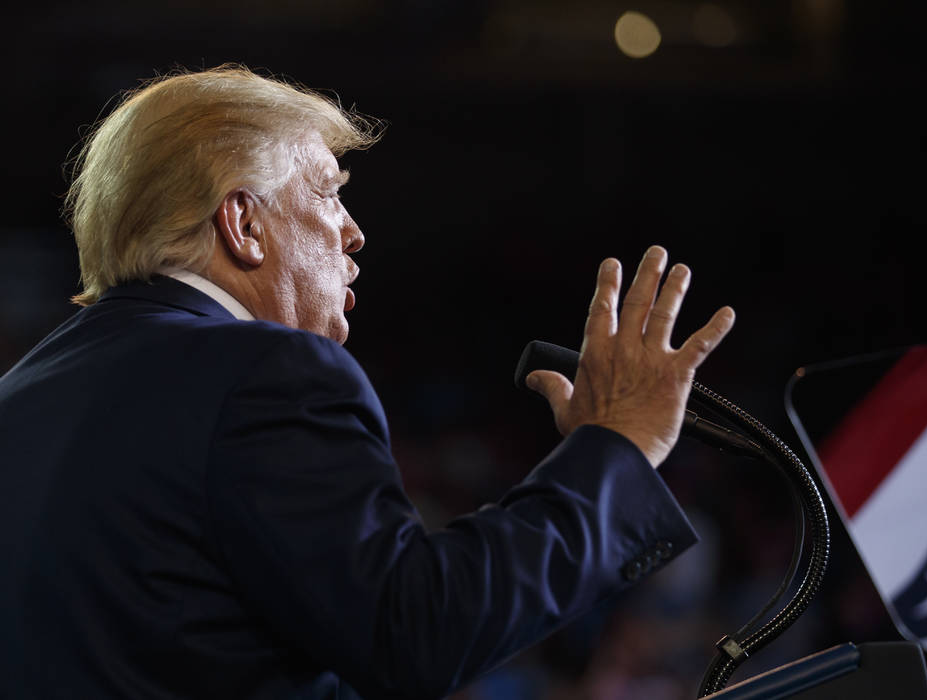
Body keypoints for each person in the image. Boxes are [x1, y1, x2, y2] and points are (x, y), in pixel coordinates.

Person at [0, 65, 735, 699]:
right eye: (327, 193)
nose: (353, 232)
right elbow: (414, 631)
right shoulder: (265, 373)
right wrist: (616, 446)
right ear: (242, 225)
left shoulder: (21, 395)